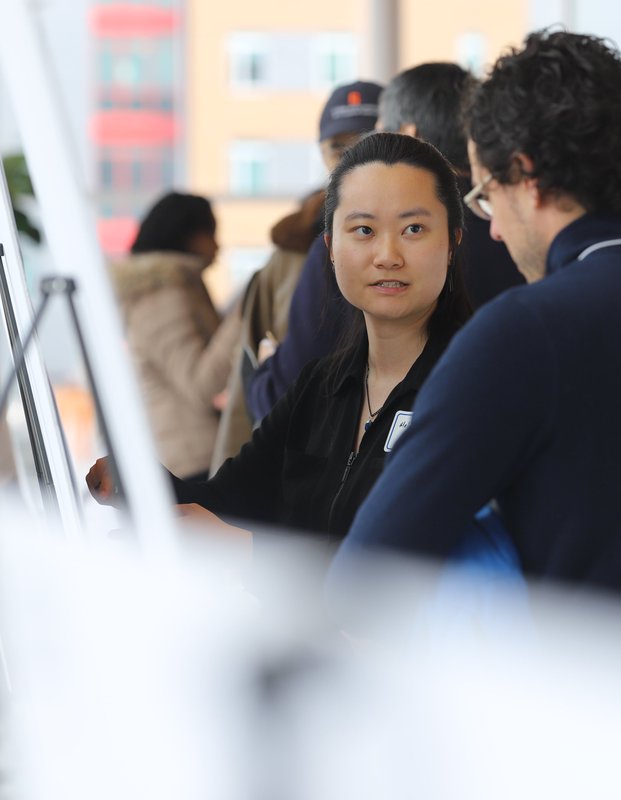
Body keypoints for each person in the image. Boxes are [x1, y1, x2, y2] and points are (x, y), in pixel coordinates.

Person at [333, 31, 621, 626]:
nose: (492, 230)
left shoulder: (525, 332)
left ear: (528, 177)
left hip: (555, 711)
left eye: (485, 196)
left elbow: (365, 578)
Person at [87, 133, 471, 544]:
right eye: (363, 230)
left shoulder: (472, 387)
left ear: (452, 242)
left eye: (414, 228)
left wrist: (251, 554)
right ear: (330, 247)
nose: (388, 255)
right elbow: (227, 501)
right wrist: (143, 483)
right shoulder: (320, 386)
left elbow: (406, 565)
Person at [245, 62, 524, 423]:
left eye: (379, 137)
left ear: (408, 135)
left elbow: (288, 401)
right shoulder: (516, 232)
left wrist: (265, 373)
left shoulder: (352, 242)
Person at [209, 80, 383, 468]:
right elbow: (270, 386)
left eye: (366, 139)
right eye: (338, 146)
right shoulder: (292, 252)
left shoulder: (430, 238)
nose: (350, 157)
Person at [110, 192, 225, 481]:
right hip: (189, 460)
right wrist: (243, 318)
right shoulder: (161, 293)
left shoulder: (175, 286)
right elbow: (201, 384)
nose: (217, 245)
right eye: (211, 233)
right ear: (188, 236)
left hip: (187, 456)